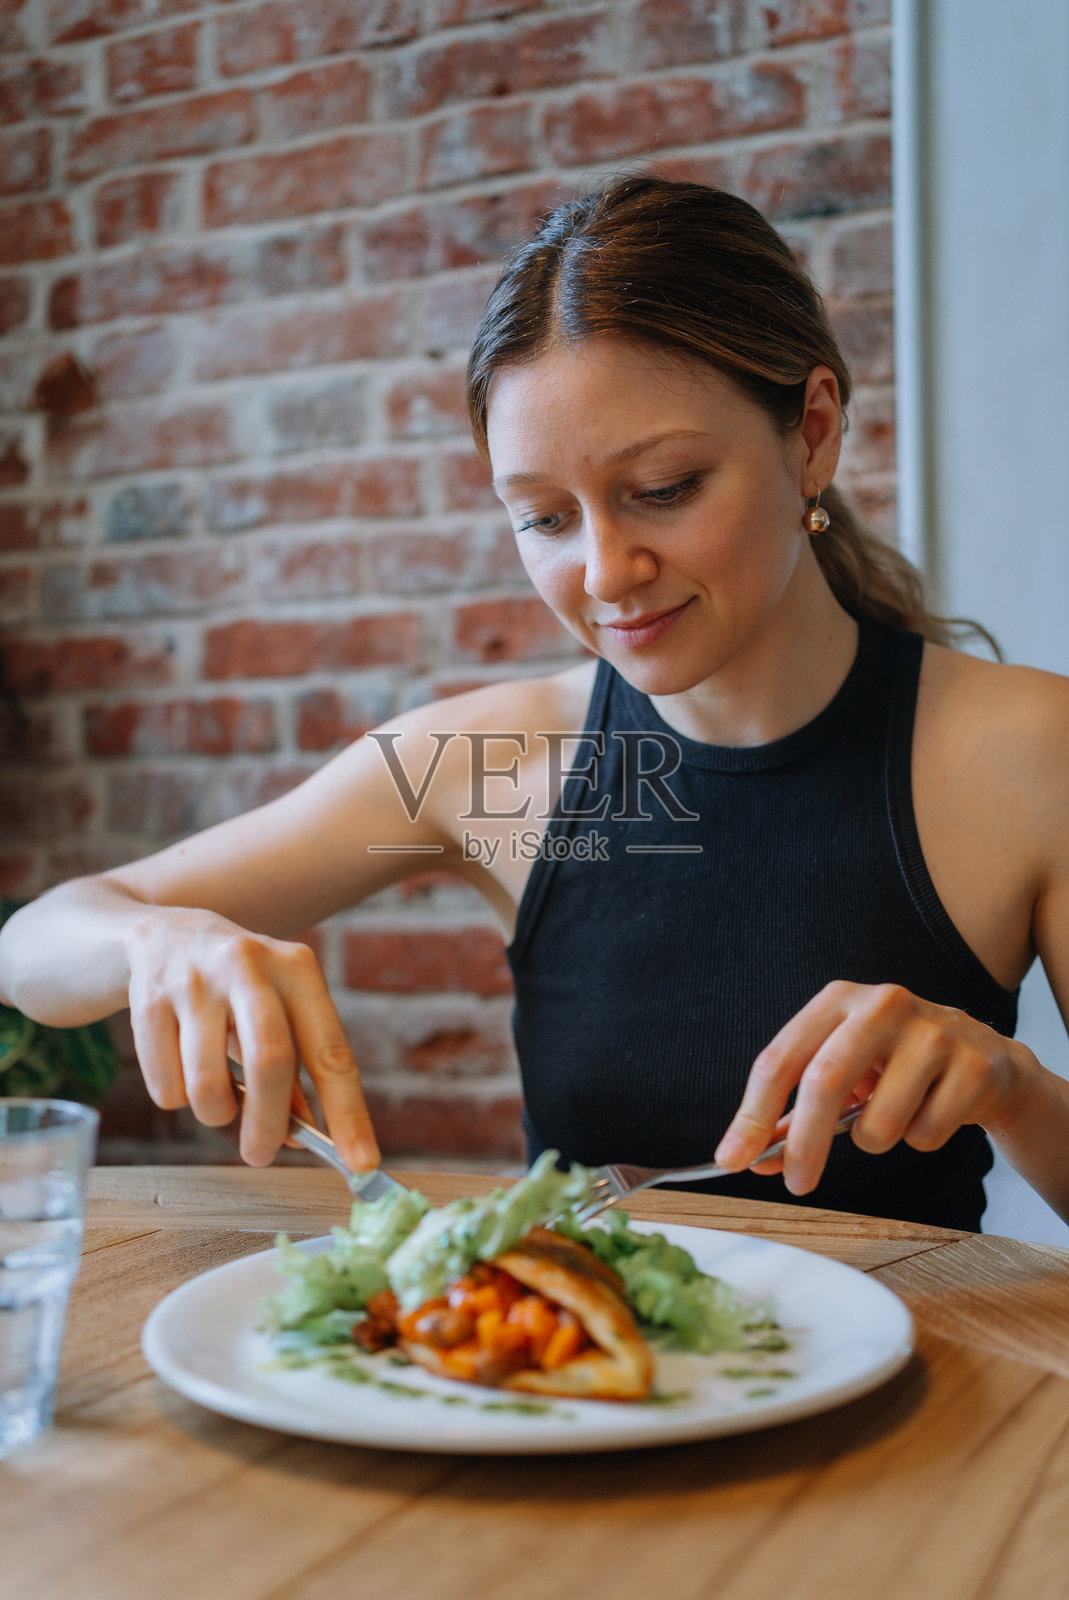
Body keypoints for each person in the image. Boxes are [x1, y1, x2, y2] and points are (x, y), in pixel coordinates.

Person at [2, 174, 1068, 1230]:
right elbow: (33, 948)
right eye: (546, 518)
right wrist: (155, 945)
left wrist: (1012, 1089)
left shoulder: (1027, 750)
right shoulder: (487, 761)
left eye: (663, 489)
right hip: (567, 1391)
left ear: (814, 432)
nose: (606, 572)